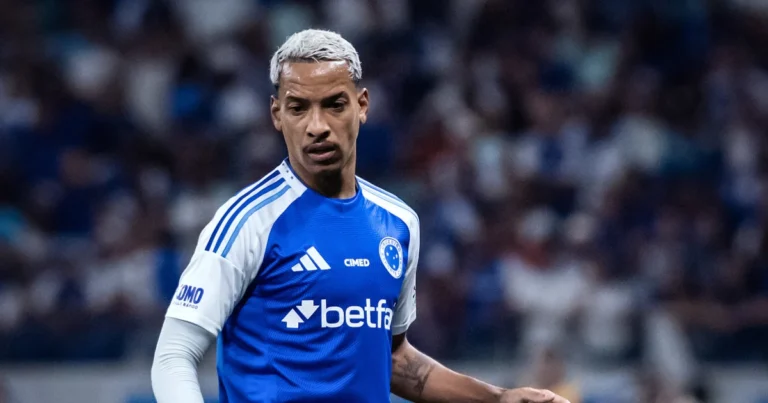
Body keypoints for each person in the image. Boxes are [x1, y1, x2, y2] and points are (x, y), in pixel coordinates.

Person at [151, 29, 570, 403]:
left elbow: (394, 359)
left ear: (362, 105)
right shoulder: (247, 220)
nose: (317, 125)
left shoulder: (398, 223)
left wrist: (498, 398)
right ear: (277, 115)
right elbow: (174, 356)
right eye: (299, 108)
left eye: (334, 105)